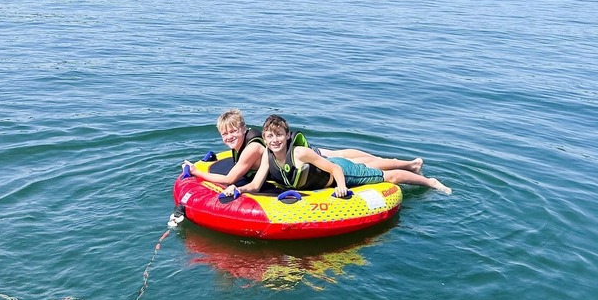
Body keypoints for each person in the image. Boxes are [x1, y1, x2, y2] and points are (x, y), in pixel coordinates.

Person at [221, 114, 452, 197]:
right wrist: (238, 189)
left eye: (279, 135)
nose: (275, 140)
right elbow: (254, 185)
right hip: (327, 176)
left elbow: (335, 169)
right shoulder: (268, 158)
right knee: (375, 165)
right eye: (270, 136)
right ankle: (413, 166)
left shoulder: (300, 152)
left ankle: (428, 181)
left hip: (342, 172)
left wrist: (341, 186)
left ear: (287, 135)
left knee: (389, 177)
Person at [182, 108, 424, 185]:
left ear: (244, 129)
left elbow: (232, 177)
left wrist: (195, 172)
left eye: (233, 131)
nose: (229, 136)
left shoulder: (253, 148)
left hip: (302, 160)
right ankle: (409, 163)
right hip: (294, 156)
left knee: (356, 163)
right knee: (346, 156)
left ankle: (409, 164)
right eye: (225, 133)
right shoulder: (248, 142)